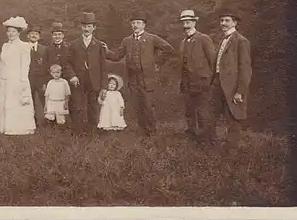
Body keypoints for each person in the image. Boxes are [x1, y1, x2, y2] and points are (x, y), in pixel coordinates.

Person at [103, 11, 174, 136]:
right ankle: (142, 131)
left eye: (138, 23)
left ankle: (151, 132)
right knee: (137, 105)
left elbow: (169, 49)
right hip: (132, 78)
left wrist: (156, 63)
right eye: (133, 23)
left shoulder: (152, 38)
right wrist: (106, 51)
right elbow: (117, 56)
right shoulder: (127, 40)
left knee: (147, 105)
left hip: (147, 78)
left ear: (144, 25)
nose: (135, 25)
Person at [210, 9, 252, 151]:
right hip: (217, 83)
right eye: (221, 20)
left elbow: (245, 68)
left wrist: (240, 91)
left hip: (232, 86)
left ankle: (231, 150)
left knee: (233, 117)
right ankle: (212, 145)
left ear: (235, 22)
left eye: (227, 20)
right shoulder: (222, 39)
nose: (223, 23)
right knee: (211, 114)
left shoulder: (241, 41)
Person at [65, 12, 108, 133]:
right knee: (77, 106)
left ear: (94, 27)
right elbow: (67, 63)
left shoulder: (99, 45)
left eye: (89, 26)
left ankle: (92, 132)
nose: (86, 29)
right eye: (84, 26)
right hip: (78, 81)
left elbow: (104, 67)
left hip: (94, 81)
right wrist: (72, 76)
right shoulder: (74, 44)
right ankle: (78, 131)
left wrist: (104, 86)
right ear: (81, 27)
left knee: (93, 107)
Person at [177, 10, 216, 144]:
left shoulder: (203, 38)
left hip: (202, 82)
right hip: (187, 83)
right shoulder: (183, 42)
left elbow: (213, 61)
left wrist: (213, 80)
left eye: (188, 22)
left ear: (194, 22)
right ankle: (193, 137)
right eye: (184, 22)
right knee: (189, 112)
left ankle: (208, 140)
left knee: (203, 112)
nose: (186, 25)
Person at [0, 16, 36, 135]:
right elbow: (2, 63)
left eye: (13, 31)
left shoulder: (24, 46)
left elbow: (25, 65)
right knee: (6, 102)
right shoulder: (5, 46)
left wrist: (22, 81)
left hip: (18, 78)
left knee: (17, 103)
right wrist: (0, 78)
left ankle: (19, 128)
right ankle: (6, 126)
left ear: (18, 33)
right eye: (9, 31)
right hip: (6, 78)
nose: (11, 34)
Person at [26, 24, 49, 127]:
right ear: (28, 36)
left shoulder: (45, 49)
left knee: (44, 99)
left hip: (41, 79)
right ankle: (31, 122)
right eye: (31, 34)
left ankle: (48, 120)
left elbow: (48, 65)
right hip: (27, 78)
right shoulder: (23, 48)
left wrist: (46, 81)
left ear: (39, 36)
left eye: (36, 34)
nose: (34, 35)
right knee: (29, 100)